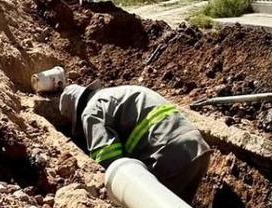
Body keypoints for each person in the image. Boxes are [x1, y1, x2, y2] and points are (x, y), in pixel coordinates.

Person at [60, 82, 212, 200]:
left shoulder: (91, 111)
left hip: (169, 157)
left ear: (77, 111)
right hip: (198, 146)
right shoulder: (125, 91)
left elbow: (108, 158)